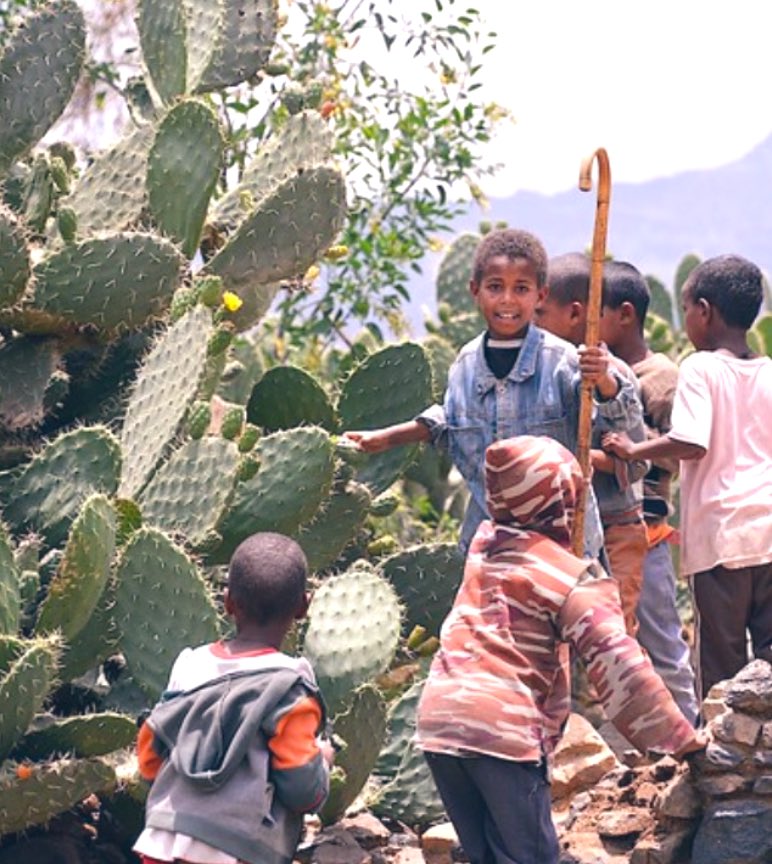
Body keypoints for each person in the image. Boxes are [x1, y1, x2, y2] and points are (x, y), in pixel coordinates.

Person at [415, 435, 706, 864]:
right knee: (532, 856)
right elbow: (621, 666)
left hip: (438, 722)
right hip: (502, 730)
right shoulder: (567, 576)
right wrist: (683, 740)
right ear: (563, 500)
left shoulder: (485, 547)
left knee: (485, 855)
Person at [343, 228, 643, 559]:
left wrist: (603, 380)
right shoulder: (466, 364)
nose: (507, 300)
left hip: (563, 547)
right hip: (491, 548)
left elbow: (622, 415)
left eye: (521, 289)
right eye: (495, 287)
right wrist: (384, 439)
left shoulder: (565, 362)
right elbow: (450, 421)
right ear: (475, 290)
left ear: (540, 296)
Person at [604, 254, 772, 701]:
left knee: (721, 664)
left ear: (704, 310)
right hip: (768, 533)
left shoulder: (701, 367)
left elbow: (692, 441)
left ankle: (723, 763)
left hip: (722, 538)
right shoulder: (769, 371)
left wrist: (634, 449)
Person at [133, 532, 333, 864]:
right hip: (236, 849)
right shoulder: (291, 687)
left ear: (227, 602)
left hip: (163, 840)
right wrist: (323, 762)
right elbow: (301, 789)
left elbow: (149, 754)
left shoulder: (189, 666)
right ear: (303, 606)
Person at [599, 259, 699, 725]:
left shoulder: (659, 378)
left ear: (623, 314)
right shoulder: (598, 374)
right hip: (605, 534)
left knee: (662, 644)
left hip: (648, 531)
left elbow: (671, 454)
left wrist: (624, 453)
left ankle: (688, 735)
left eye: (594, 314)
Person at [535, 252, 648, 635]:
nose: (533, 324)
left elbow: (636, 462)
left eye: (541, 314)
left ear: (575, 314)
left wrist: (580, 458)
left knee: (612, 635)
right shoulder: (544, 371)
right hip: (562, 529)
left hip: (615, 529)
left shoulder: (613, 374)